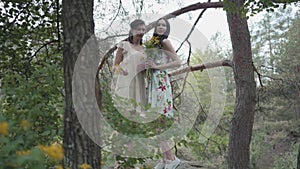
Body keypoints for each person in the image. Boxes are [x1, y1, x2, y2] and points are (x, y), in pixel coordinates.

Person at [145, 18, 181, 169]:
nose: (160, 27)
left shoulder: (166, 42)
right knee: (155, 123)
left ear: (167, 29)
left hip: (161, 83)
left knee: (159, 121)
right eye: (158, 24)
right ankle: (165, 159)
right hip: (153, 83)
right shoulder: (152, 43)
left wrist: (157, 66)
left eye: (163, 25)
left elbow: (177, 62)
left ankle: (172, 159)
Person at [112, 19, 148, 119]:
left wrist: (146, 67)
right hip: (126, 81)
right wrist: (122, 71)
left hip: (139, 82)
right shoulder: (124, 45)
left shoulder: (145, 49)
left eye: (143, 30)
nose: (141, 32)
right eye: (138, 29)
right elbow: (115, 66)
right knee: (126, 111)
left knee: (138, 114)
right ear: (132, 30)